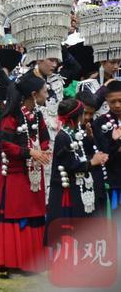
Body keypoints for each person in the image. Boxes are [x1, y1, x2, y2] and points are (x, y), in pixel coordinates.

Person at [0, 73, 51, 273]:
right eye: (44, 90)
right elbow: (6, 145)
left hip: (33, 173)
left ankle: (32, 262)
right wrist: (30, 152)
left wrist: (41, 150)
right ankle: (12, 261)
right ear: (34, 94)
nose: (47, 92)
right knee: (16, 214)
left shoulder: (38, 115)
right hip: (16, 174)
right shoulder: (11, 116)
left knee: (34, 213)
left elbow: (44, 137)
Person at [46, 98, 108, 246]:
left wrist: (90, 139)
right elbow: (69, 164)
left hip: (76, 190)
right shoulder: (63, 136)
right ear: (77, 116)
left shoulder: (73, 133)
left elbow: (78, 155)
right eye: (83, 114)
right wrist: (92, 162)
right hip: (67, 193)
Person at [92, 80, 121, 213]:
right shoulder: (99, 123)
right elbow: (104, 153)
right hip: (114, 179)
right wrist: (115, 143)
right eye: (112, 101)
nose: (117, 105)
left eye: (120, 100)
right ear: (106, 100)